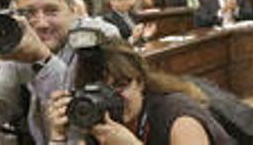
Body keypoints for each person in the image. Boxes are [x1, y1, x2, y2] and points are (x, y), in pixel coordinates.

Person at [0, 0, 120, 143]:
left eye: (51, 11)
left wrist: (43, 60)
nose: (41, 23)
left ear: (73, 9)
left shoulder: (101, 37)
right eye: (29, 13)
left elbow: (80, 129)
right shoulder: (20, 44)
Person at [47, 39, 233, 144]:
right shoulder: (100, 123)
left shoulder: (178, 116)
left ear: (141, 82)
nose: (110, 97)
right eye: (98, 90)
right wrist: (57, 137)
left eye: (120, 85)